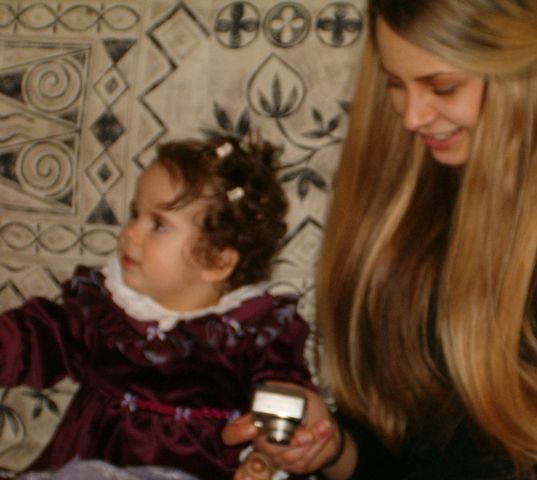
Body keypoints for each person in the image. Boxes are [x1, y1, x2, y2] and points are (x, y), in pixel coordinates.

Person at [222, 0, 537, 479]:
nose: (412, 117)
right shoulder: (404, 194)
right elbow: (402, 451)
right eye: (395, 84)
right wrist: (332, 448)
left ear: (517, 63)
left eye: (443, 87)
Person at [0, 135, 315, 480]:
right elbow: (43, 335)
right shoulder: (108, 310)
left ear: (217, 261)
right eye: (135, 214)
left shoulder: (252, 331)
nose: (130, 233)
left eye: (159, 225)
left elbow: (286, 393)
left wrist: (269, 451)